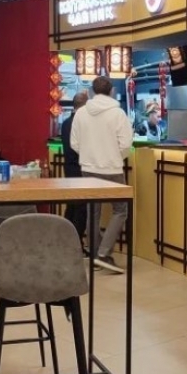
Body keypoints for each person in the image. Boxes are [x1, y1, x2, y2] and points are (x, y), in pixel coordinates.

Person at [69, 76, 133, 274]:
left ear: (92, 91)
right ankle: (104, 253)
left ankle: (96, 256)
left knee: (93, 212)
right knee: (120, 210)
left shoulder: (81, 113)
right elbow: (126, 144)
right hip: (112, 169)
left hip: (88, 169)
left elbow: (74, 143)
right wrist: (114, 157)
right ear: (112, 91)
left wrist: (89, 157)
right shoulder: (118, 114)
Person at [59, 90, 89, 245]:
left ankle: (65, 240)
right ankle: (76, 243)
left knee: (71, 206)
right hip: (80, 168)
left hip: (69, 168)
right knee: (81, 208)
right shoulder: (82, 123)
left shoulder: (66, 123)